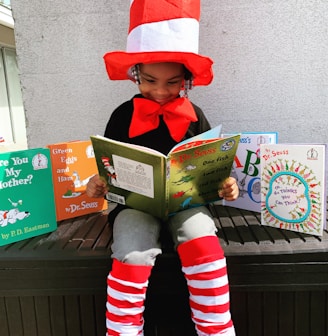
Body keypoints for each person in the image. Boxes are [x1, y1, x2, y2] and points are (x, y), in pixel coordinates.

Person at [87, 60, 238, 336]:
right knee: (131, 253)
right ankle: (123, 330)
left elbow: (211, 169)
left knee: (203, 242)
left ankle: (216, 329)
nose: (160, 91)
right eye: (150, 80)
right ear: (135, 75)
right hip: (133, 205)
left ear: (186, 80)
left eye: (172, 82)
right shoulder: (122, 116)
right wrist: (96, 183)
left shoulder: (195, 115)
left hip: (187, 203)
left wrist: (226, 185)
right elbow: (106, 167)